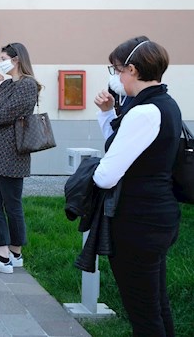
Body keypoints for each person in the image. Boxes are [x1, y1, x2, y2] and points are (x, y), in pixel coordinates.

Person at [93, 36, 181, 336]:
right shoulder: (165, 103)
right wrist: (108, 114)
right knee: (156, 305)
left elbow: (106, 175)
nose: (116, 78)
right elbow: (123, 148)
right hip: (158, 216)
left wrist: (91, 171)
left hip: (138, 222)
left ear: (132, 70)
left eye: (117, 70)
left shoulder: (143, 112)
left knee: (143, 313)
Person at [0, 43, 39, 274]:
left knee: (11, 205)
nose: (0, 62)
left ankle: (9, 256)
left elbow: (5, 114)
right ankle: (7, 254)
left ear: (16, 59)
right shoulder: (7, 84)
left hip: (11, 154)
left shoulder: (28, 85)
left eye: (3, 58)